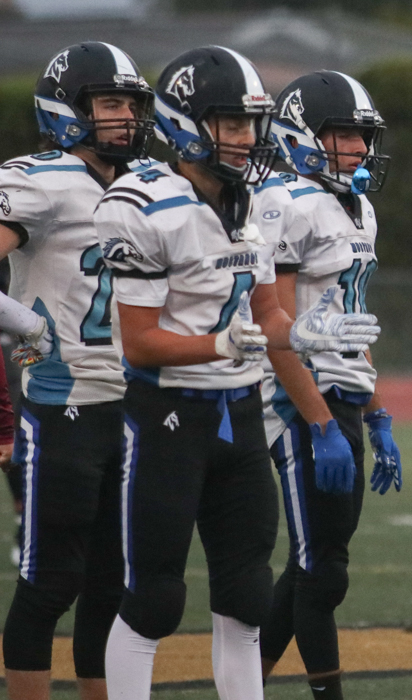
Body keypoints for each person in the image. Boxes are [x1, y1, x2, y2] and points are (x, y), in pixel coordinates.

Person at [93, 46, 380, 700]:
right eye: (231, 123)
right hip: (166, 413)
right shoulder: (143, 201)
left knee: (248, 595)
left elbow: (265, 313)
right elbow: (139, 344)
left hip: (240, 413)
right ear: (184, 123)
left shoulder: (251, 202)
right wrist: (222, 344)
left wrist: (306, 330)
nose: (247, 138)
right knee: (155, 597)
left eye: (252, 123)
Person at [0, 42, 155, 700]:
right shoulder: (36, 178)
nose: (125, 117)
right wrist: (20, 320)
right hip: (59, 405)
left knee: (114, 583)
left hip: (131, 406)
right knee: (51, 580)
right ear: (67, 110)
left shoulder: (148, 183)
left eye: (131, 104)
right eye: (110, 103)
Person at [258, 71, 401, 700]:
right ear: (302, 135)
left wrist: (376, 410)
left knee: (320, 567)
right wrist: (317, 421)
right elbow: (278, 329)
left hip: (340, 395)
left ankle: (242, 686)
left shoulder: (360, 205)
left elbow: (350, 321)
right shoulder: (283, 200)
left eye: (362, 136)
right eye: (343, 135)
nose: (359, 149)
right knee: (321, 572)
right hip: (295, 398)